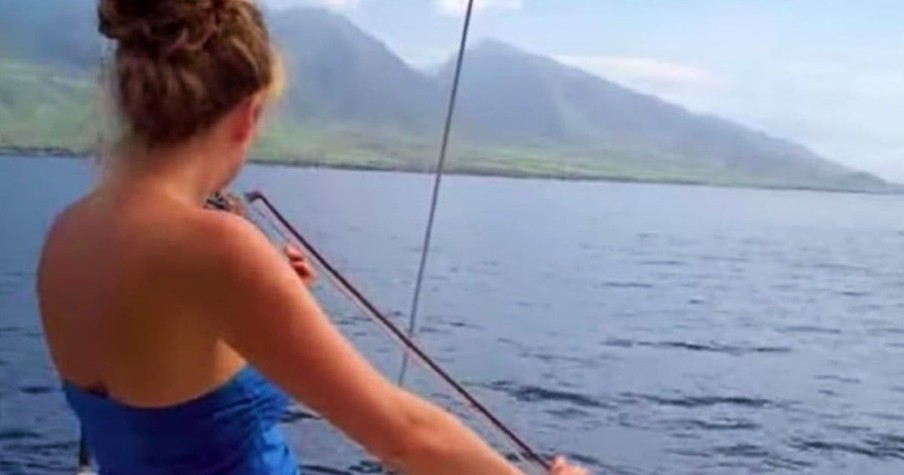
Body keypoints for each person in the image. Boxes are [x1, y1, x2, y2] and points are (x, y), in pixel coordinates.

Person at [36, 0, 588, 474]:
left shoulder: (65, 236)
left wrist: (273, 299)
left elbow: (161, 387)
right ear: (246, 117)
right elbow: (401, 433)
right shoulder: (220, 248)